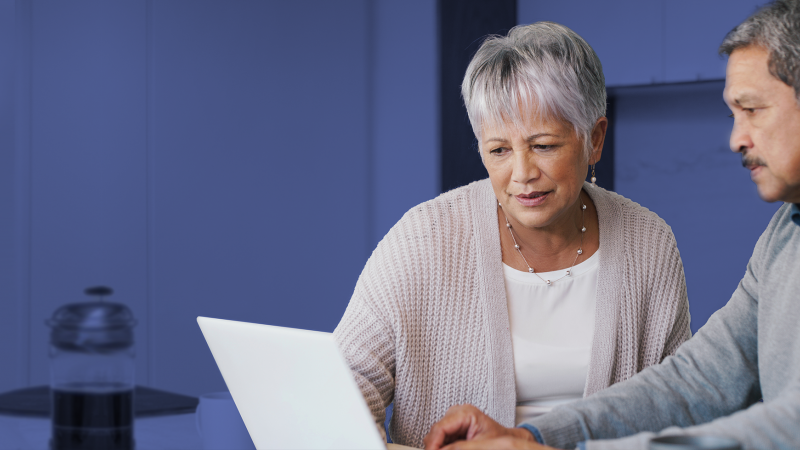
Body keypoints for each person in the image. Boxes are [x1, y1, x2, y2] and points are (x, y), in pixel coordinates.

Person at [423, 1, 800, 449]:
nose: (737, 138)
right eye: (732, 115)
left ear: (594, 139)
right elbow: (698, 380)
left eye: (753, 110)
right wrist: (534, 436)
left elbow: (790, 425)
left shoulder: (649, 238)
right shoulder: (785, 232)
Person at [333, 22, 691, 448]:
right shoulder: (423, 238)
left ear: (593, 140)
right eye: (499, 150)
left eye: (543, 146)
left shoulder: (648, 242)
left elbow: (679, 407)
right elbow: (339, 392)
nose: (522, 174)